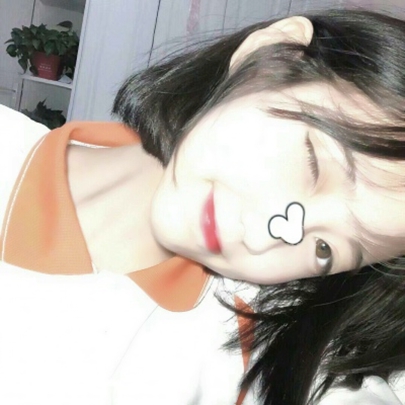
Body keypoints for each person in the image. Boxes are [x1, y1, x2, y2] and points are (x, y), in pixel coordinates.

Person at [1, 7, 405, 405]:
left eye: (324, 249)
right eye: (312, 163)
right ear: (272, 53)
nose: (264, 237)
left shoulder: (250, 356)